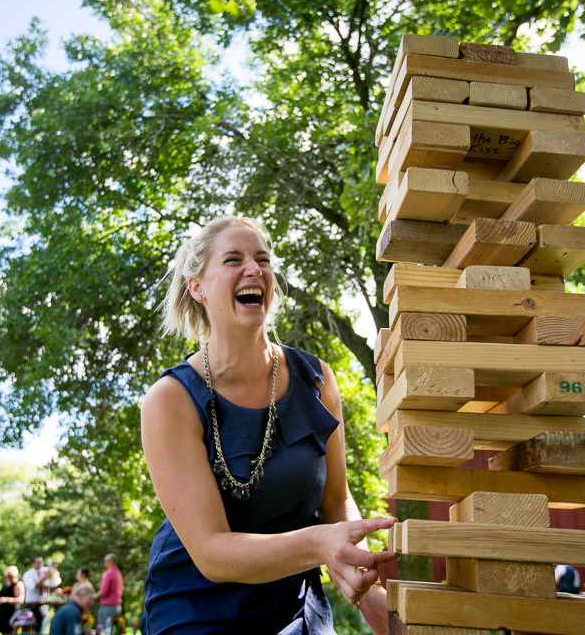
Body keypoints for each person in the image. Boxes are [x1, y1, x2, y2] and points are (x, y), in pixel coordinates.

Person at [141, 216, 398, 634]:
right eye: (233, 259)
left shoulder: (317, 378)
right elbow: (211, 552)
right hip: (196, 611)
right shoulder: (168, 400)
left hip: (296, 611)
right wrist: (318, 544)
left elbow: (335, 501)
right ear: (198, 287)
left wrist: (369, 593)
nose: (254, 269)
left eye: (262, 258)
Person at [0, 567, 25, 635]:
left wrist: (7, 600)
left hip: (9, 613)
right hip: (0, 612)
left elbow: (20, 600)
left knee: (5, 632)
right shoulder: (5, 584)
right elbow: (0, 597)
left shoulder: (17, 584)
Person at [95, 554, 123, 630]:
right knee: (113, 630)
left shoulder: (108, 573)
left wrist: (92, 597)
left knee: (102, 629)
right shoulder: (118, 572)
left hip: (107, 606)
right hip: (116, 606)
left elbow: (103, 592)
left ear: (108, 561)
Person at [22, 557, 46, 632]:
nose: (40, 564)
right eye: (38, 562)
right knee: (28, 627)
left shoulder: (43, 573)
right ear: (32, 564)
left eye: (41, 562)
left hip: (42, 604)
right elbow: (32, 587)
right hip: (31, 604)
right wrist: (43, 578)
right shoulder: (28, 575)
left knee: (40, 627)